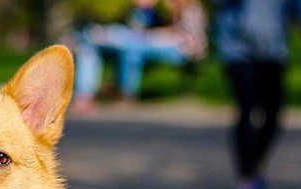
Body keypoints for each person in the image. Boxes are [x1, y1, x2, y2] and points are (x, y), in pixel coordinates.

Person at [214, 0, 301, 189]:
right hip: (238, 49)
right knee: (246, 108)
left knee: (273, 113)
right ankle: (246, 174)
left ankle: (254, 164)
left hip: (273, 48)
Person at [72, 0, 207, 112]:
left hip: (184, 50)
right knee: (89, 46)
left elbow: (187, 38)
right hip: (150, 41)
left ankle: (125, 93)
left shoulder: (189, 8)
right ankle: (86, 95)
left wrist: (155, 33)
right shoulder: (150, 7)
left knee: (132, 48)